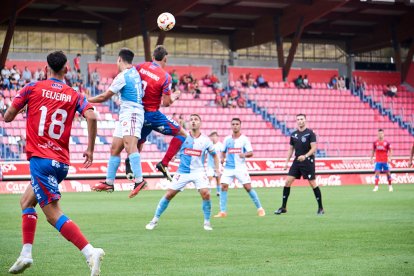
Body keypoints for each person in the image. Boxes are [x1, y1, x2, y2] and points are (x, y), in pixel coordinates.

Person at [3, 51, 104, 275]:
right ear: (66, 69)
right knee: (26, 201)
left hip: (41, 158)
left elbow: (8, 116)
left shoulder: (31, 88)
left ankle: (89, 252)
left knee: (52, 214)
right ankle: (26, 253)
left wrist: (24, 108)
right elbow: (92, 116)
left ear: (45, 68)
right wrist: (90, 149)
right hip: (60, 162)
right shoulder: (73, 94)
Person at [88, 48, 146, 198]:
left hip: (132, 113)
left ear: (119, 59)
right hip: (126, 114)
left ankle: (139, 180)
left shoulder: (123, 76)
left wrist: (86, 100)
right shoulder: (135, 72)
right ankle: (109, 182)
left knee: (129, 146)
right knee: (115, 148)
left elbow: (104, 97)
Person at [145, 114, 220, 231]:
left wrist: (217, 169)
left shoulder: (206, 141)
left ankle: (207, 222)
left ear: (200, 123)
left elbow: (214, 155)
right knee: (169, 194)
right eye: (191, 120)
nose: (193, 122)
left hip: (198, 172)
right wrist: (174, 156)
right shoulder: (182, 137)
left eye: (196, 120)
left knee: (206, 194)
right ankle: (154, 220)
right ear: (189, 123)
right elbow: (174, 150)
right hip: (182, 172)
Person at [123, 45, 185, 182]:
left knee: (140, 141)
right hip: (152, 114)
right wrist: (175, 95)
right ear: (165, 59)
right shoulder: (165, 77)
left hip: (138, 112)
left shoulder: (140, 66)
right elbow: (167, 102)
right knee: (183, 135)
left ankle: (129, 162)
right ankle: (164, 163)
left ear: (152, 57)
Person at [214, 118, 265, 218]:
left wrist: (244, 154)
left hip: (240, 168)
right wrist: (222, 158)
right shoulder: (227, 139)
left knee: (248, 187)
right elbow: (223, 151)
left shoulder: (244, 139)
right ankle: (223, 211)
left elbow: (251, 153)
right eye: (233, 124)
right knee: (223, 186)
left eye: (237, 124)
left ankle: (260, 208)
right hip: (228, 168)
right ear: (231, 126)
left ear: (240, 126)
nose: (235, 126)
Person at [274, 114, 324, 215]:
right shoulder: (293, 134)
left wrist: (305, 156)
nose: (300, 121)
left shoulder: (310, 133)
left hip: (308, 161)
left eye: (302, 119)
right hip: (297, 161)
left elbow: (314, 148)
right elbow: (291, 149)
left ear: (305, 120)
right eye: (298, 119)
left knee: (313, 183)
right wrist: (286, 162)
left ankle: (321, 208)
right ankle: (283, 207)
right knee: (287, 182)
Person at [207, 131, 223, 196]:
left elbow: (223, 154)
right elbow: (205, 154)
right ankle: (209, 191)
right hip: (210, 165)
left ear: (217, 137)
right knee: (209, 178)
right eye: (212, 136)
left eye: (214, 136)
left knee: (218, 178)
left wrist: (222, 159)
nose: (213, 138)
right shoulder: (209, 145)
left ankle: (218, 191)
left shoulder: (220, 145)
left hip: (218, 165)